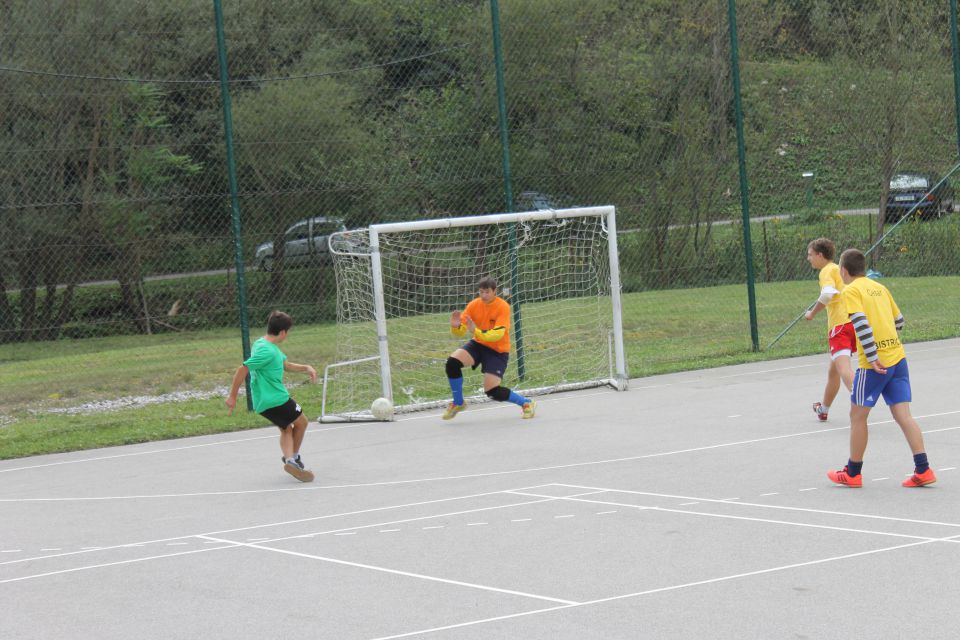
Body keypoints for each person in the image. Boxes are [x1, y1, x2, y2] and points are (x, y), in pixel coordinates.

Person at [827, 249, 935, 488]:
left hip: (874, 365)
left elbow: (860, 323)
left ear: (844, 271)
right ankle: (923, 469)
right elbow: (900, 321)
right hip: (898, 358)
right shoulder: (880, 288)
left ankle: (853, 472)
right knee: (904, 415)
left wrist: (874, 355)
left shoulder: (851, 290)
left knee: (857, 416)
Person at [226, 310, 317, 482]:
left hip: (262, 401)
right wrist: (232, 396)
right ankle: (293, 459)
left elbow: (286, 365)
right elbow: (242, 369)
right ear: (283, 332)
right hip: (276, 398)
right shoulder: (268, 352)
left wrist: (306, 367)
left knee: (286, 428)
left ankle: (290, 459)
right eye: (288, 331)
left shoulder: (262, 344)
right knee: (302, 421)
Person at [443, 276, 535, 420]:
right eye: (481, 292)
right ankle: (458, 403)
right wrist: (455, 327)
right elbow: (461, 331)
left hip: (497, 350)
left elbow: (497, 335)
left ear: (494, 291)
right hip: (478, 344)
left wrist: (476, 331)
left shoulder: (503, 306)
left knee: (492, 391)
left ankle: (526, 403)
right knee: (452, 363)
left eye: (487, 292)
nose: (484, 295)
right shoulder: (473, 305)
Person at [803, 238, 855, 421]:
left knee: (843, 368)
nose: (808, 258)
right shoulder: (837, 269)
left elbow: (827, 294)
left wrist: (812, 313)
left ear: (820, 255)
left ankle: (860, 399)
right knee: (833, 372)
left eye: (810, 255)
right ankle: (823, 409)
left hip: (840, 326)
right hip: (852, 322)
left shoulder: (826, 270)